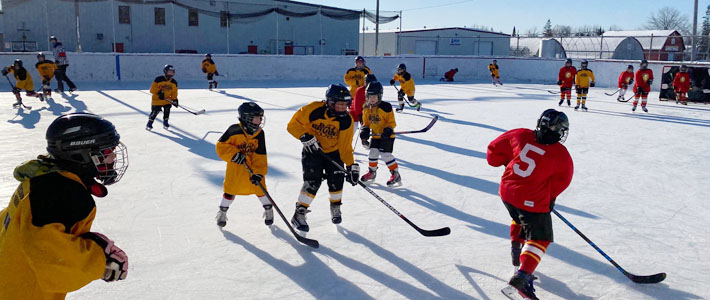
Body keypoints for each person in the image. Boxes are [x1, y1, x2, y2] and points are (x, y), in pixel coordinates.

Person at [0, 113, 129, 299]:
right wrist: (100, 258)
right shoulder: (65, 192)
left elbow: (15, 221)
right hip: (23, 292)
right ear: (81, 154)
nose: (113, 158)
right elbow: (45, 252)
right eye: (107, 152)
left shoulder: (43, 177)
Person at [487, 109, 573, 300]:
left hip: (507, 192)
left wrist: (504, 161)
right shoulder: (561, 155)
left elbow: (493, 151)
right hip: (530, 199)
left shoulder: (520, 134)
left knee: (518, 217)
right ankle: (522, 279)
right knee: (540, 237)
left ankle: (516, 252)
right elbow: (562, 182)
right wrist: (549, 199)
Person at [286, 84, 359, 231]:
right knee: (312, 182)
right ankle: (299, 213)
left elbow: (345, 147)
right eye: (339, 104)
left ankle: (335, 206)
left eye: (345, 105)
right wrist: (305, 136)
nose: (342, 108)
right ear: (330, 102)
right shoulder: (313, 109)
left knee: (337, 181)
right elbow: (292, 125)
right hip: (312, 151)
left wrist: (351, 165)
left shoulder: (346, 120)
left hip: (333, 152)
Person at [215, 102, 271, 227]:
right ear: (246, 118)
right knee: (230, 190)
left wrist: (258, 173)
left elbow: (260, 156)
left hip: (252, 168)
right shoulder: (233, 130)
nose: (259, 121)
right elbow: (221, 146)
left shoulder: (259, 133)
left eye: (260, 118)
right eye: (256, 118)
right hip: (236, 169)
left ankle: (268, 210)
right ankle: (222, 212)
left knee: (260, 189)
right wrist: (234, 154)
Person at [359, 81, 401, 187]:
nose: (372, 99)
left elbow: (392, 122)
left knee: (385, 154)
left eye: (374, 96)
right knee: (372, 153)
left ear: (380, 96)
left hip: (387, 136)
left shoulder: (386, 107)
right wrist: (364, 130)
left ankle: (395, 173)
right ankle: (372, 172)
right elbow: (366, 122)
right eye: (370, 96)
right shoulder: (366, 107)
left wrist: (388, 130)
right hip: (376, 135)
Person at [147, 64, 179, 130]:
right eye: (169, 72)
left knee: (167, 110)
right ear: (165, 71)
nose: (171, 73)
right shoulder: (158, 79)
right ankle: (150, 123)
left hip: (167, 100)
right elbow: (152, 89)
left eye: (172, 72)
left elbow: (174, 92)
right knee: (155, 112)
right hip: (157, 100)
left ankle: (165, 121)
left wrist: (175, 99)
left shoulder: (174, 82)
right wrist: (159, 92)